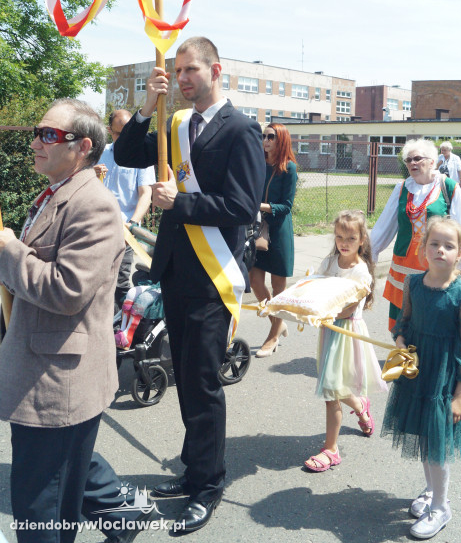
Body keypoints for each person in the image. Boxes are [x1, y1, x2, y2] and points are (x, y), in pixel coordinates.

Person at [114, 36, 266, 534]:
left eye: (190, 70)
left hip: (212, 276)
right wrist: (146, 106)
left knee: (202, 383)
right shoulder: (175, 122)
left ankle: (208, 485)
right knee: (182, 372)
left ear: (215, 71)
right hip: (176, 270)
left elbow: (242, 207)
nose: (181, 79)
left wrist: (178, 202)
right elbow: (127, 153)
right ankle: (193, 468)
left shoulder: (241, 128)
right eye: (177, 71)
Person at [0, 100, 127, 542]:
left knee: (41, 510)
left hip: (57, 383)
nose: (37, 142)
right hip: (43, 368)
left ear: (83, 147)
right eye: (38, 133)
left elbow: (66, 290)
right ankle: (123, 518)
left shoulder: (94, 205)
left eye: (49, 135)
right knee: (66, 479)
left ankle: (121, 517)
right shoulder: (58, 191)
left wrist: (8, 250)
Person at [381, 217, 461, 540]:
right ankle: (431, 490)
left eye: (448, 246)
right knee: (425, 438)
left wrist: (460, 395)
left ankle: (440, 506)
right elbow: (405, 321)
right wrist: (400, 342)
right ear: (422, 249)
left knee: (437, 444)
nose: (440, 250)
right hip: (418, 374)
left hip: (444, 381)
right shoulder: (412, 284)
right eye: (434, 244)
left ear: (459, 253)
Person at [303, 210, 387, 472]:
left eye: (351, 238)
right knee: (334, 386)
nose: (344, 242)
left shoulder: (361, 272)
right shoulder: (329, 263)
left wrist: (324, 313)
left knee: (332, 390)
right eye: (339, 236)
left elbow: (349, 308)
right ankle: (360, 404)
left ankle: (331, 450)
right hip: (329, 330)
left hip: (346, 332)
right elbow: (315, 288)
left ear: (362, 240)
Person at [371, 138, 461, 331]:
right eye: (408, 160)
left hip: (435, 263)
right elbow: (384, 225)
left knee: (431, 318)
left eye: (417, 158)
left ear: (432, 161)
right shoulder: (402, 188)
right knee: (403, 322)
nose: (412, 163)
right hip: (403, 264)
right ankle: (403, 348)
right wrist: (370, 252)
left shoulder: (449, 187)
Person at [94, 109, 155, 310]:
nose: (123, 139)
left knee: (119, 283)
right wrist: (91, 174)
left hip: (124, 231)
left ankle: (119, 326)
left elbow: (146, 193)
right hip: (96, 228)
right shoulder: (98, 153)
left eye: (128, 132)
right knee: (94, 281)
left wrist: (133, 223)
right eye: (118, 134)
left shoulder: (141, 157)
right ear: (109, 130)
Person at [249, 123, 297, 357]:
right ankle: (277, 324)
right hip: (258, 229)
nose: (265, 140)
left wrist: (260, 206)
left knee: (279, 290)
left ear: (281, 140)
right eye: (264, 136)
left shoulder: (289, 168)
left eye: (271, 137)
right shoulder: (258, 163)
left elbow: (287, 206)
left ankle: (272, 337)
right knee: (254, 281)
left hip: (278, 232)